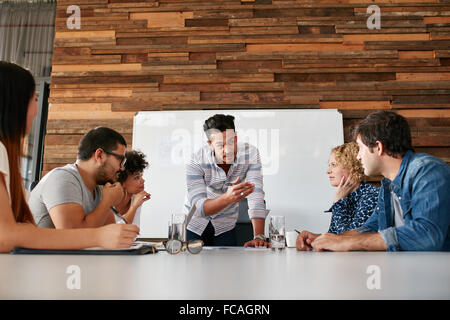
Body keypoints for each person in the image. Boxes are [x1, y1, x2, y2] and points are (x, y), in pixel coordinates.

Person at [0, 61, 138, 252]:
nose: (36, 109)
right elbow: (6, 236)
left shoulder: (99, 190)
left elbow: (23, 229)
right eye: (34, 98)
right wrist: (98, 234)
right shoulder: (63, 177)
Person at [304, 111, 450, 252]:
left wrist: (348, 242)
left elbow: (427, 234)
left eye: (360, 148)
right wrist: (324, 240)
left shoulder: (427, 172)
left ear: (379, 147)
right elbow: (372, 228)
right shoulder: (387, 184)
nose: (358, 156)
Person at [184, 114, 269, 247]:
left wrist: (258, 236)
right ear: (210, 144)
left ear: (236, 138)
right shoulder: (196, 160)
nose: (228, 150)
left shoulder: (250, 154)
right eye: (220, 145)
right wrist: (228, 198)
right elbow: (200, 208)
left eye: (231, 142)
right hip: (195, 225)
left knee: (228, 267)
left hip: (225, 225)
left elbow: (256, 194)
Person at [29, 126, 129, 229]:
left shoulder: (98, 189)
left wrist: (110, 201)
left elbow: (110, 233)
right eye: (120, 160)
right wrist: (108, 202)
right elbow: (72, 236)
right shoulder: (63, 178)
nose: (121, 168)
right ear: (99, 155)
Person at [296, 142, 379, 250]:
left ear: (352, 167)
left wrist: (338, 202)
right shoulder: (346, 196)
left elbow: (348, 243)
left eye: (334, 165)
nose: (328, 171)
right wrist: (315, 238)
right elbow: (336, 236)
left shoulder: (371, 195)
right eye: (329, 165)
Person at [115, 150, 151, 226]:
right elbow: (115, 233)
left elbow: (134, 233)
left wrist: (135, 205)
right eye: (136, 177)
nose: (143, 180)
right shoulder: (108, 199)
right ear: (122, 182)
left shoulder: (135, 198)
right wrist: (134, 207)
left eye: (141, 175)